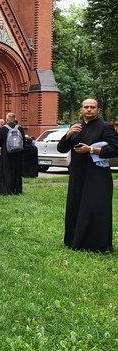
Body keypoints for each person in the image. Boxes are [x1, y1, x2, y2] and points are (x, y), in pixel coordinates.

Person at [58, 98, 118, 252]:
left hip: (97, 175)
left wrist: (91, 150)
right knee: (75, 206)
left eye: (92, 107)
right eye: (86, 107)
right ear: (81, 110)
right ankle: (74, 240)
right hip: (78, 174)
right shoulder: (75, 127)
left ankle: (97, 245)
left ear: (98, 110)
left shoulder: (105, 128)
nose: (89, 109)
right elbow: (61, 149)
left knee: (94, 207)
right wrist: (68, 135)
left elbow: (115, 149)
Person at [0, 112, 24, 195]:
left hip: (6, 153)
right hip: (17, 153)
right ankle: (17, 188)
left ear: (7, 120)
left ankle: (6, 189)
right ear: (14, 119)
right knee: (16, 170)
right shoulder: (20, 128)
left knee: (6, 170)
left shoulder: (3, 129)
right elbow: (23, 141)